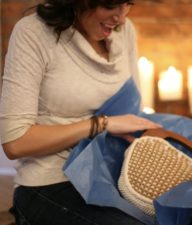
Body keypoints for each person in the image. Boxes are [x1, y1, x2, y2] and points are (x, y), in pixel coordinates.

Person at [0, 0, 162, 224]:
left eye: (127, 4)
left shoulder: (125, 31)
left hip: (112, 174)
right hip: (51, 181)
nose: (122, 18)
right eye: (110, 5)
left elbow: (132, 108)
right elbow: (15, 142)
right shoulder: (33, 32)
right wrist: (100, 124)